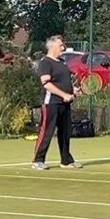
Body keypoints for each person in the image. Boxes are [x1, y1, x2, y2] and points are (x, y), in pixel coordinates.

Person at [32, 35, 83, 171]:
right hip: (51, 103)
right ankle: (38, 160)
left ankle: (66, 160)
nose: (63, 48)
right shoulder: (45, 62)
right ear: (52, 46)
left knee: (65, 132)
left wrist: (74, 91)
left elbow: (66, 82)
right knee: (46, 131)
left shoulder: (62, 62)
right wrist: (64, 95)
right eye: (60, 45)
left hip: (65, 104)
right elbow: (46, 84)